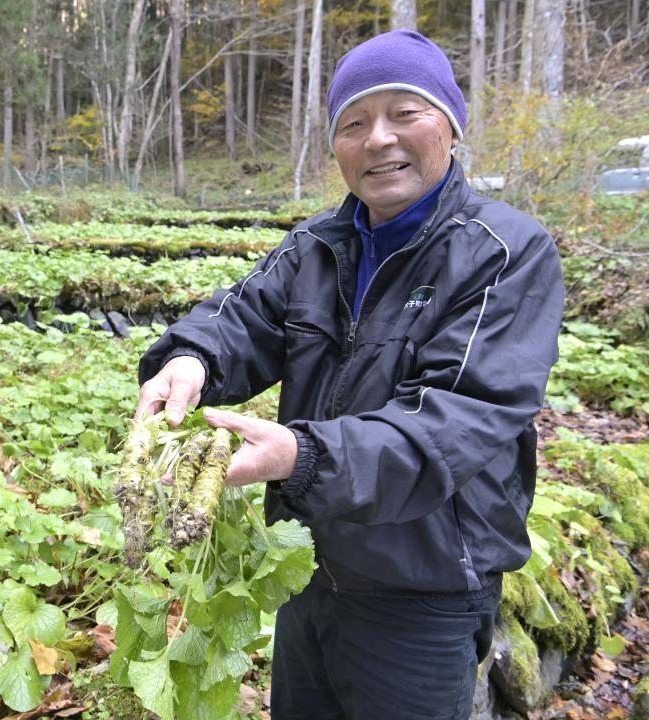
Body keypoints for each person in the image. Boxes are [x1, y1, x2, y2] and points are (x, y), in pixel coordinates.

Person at [134, 30, 564, 720]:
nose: (377, 139)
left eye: (406, 113)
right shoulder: (315, 246)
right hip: (306, 570)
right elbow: (241, 320)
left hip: (423, 592)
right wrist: (191, 359)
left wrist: (301, 458)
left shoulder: (506, 252)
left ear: (450, 126)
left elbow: (456, 421)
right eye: (354, 123)